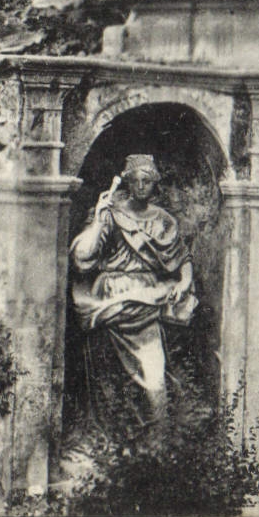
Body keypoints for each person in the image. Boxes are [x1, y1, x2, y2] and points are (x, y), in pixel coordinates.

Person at [70, 154, 195, 426]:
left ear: (155, 184)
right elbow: (81, 259)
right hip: (110, 299)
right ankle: (113, 443)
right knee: (109, 379)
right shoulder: (111, 214)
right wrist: (98, 220)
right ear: (126, 181)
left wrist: (185, 282)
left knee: (154, 379)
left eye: (147, 180)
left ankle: (157, 441)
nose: (141, 185)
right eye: (135, 179)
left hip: (147, 299)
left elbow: (182, 259)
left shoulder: (163, 221)